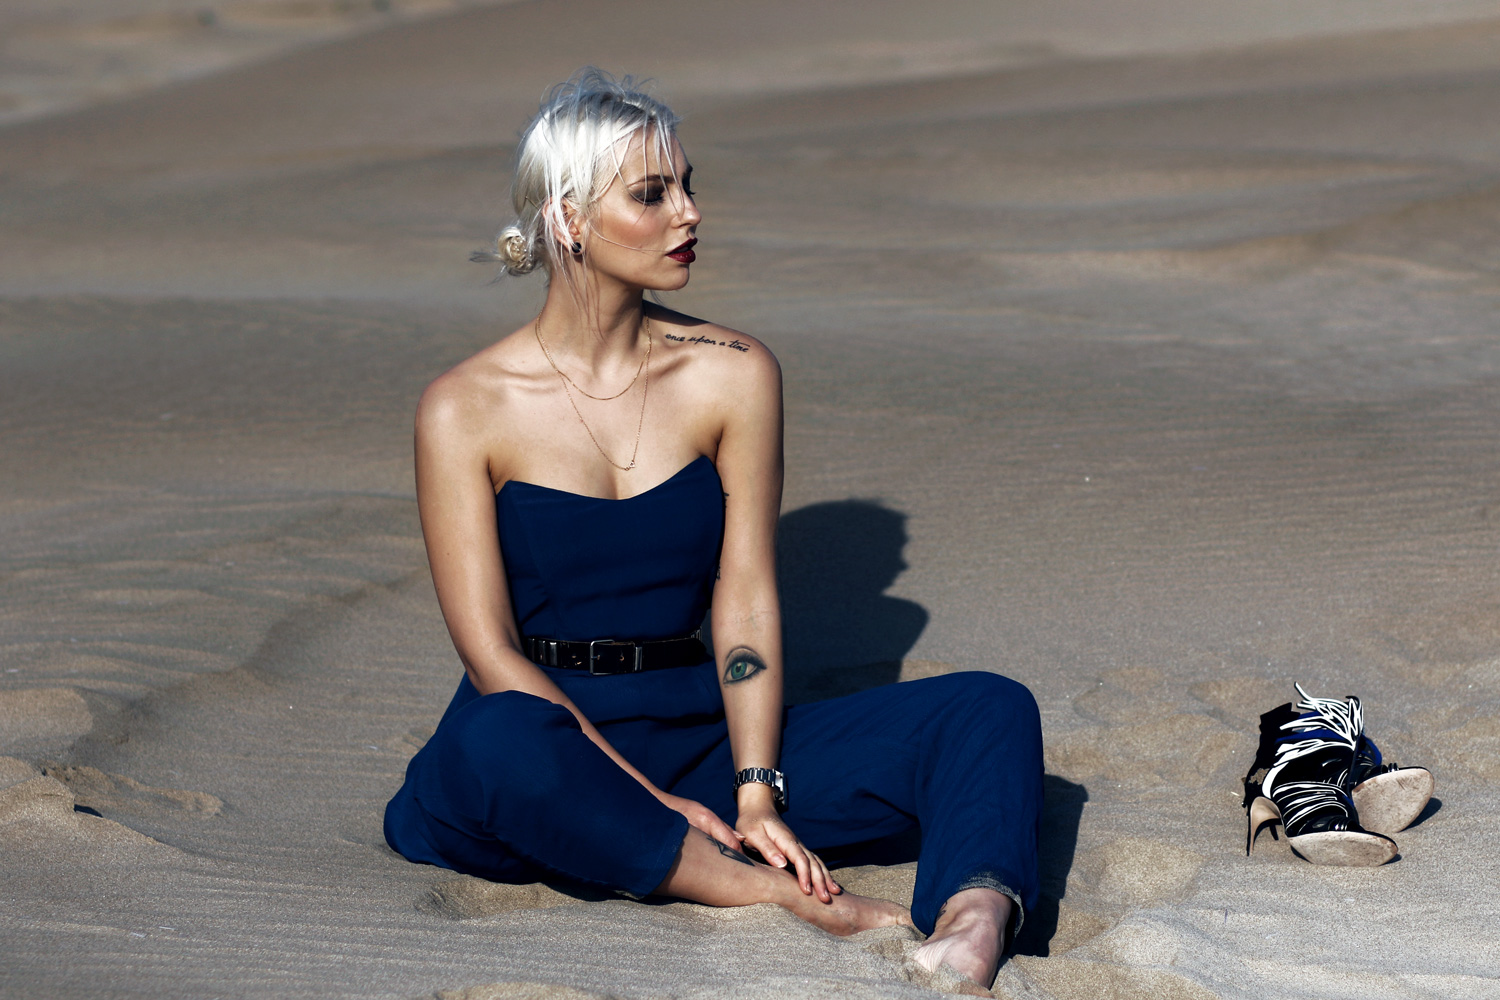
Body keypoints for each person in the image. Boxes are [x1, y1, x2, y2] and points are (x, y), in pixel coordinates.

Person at [383, 68, 1043, 989]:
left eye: (689, 186)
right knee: (494, 744)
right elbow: (491, 652)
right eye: (652, 194)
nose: (688, 213)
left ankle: (975, 918)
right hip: (544, 749)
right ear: (569, 219)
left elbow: (744, 597)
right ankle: (770, 897)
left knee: (985, 709)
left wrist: (756, 788)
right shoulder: (463, 408)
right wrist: (649, 800)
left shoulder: (734, 372)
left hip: (702, 743)